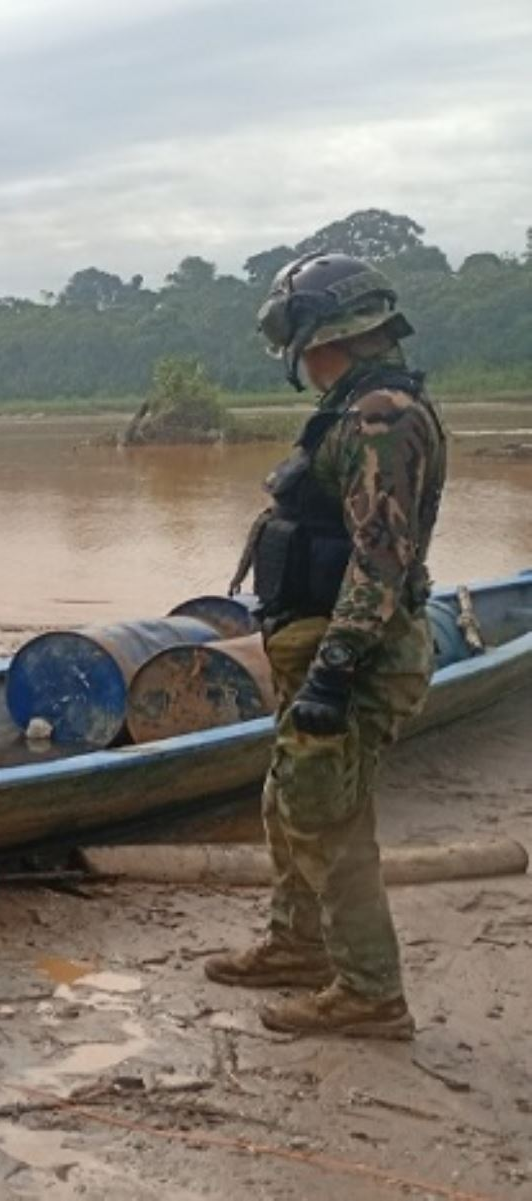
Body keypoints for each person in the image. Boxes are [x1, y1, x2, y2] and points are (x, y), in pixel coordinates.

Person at [210, 254, 446, 1039]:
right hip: (315, 642)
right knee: (289, 801)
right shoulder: (352, 409)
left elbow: (381, 557)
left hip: (354, 653)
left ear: (324, 335)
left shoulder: (382, 416)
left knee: (329, 816)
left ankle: (371, 992)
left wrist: (334, 671)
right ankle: (298, 945)